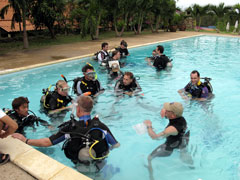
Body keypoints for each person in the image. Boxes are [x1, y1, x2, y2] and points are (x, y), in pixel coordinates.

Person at [12, 96, 120, 173]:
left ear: (78, 109)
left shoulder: (70, 128)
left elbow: (48, 142)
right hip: (100, 165)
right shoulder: (101, 126)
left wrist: (25, 140)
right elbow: (116, 145)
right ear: (91, 109)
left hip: (78, 168)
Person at [144, 102, 191, 180]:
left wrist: (149, 126)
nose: (164, 110)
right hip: (183, 141)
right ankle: (189, 165)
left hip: (169, 148)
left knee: (149, 158)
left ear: (173, 115)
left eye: (167, 110)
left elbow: (155, 137)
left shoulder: (170, 129)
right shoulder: (181, 118)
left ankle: (151, 177)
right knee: (184, 153)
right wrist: (164, 114)